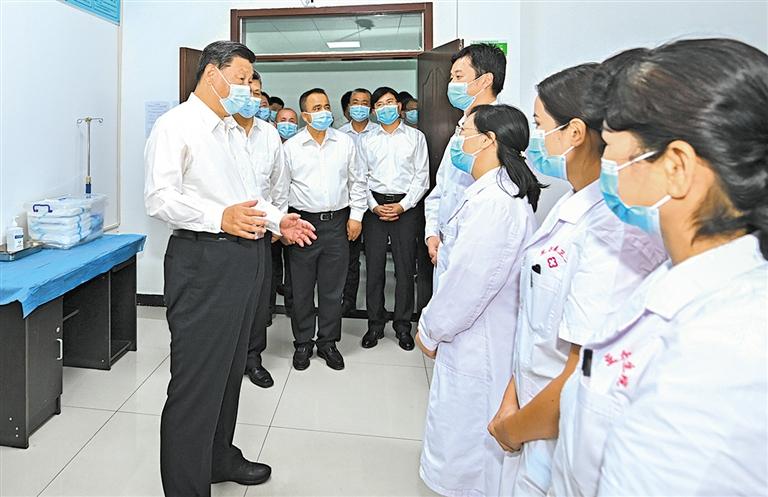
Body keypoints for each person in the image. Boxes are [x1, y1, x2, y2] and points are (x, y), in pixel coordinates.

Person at [548, 38, 768, 496]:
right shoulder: (683, 277)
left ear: (677, 166)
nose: (604, 162)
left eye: (611, 146)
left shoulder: (723, 351)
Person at [144, 40, 316, 497]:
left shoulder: (231, 130)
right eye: (240, 78)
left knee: (229, 370)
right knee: (197, 382)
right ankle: (186, 486)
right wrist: (217, 217)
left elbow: (246, 195)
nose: (246, 89)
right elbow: (159, 198)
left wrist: (279, 221)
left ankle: (219, 457)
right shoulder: (176, 125)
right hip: (203, 261)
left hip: (247, 256)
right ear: (211, 74)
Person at [486, 63, 666, 495]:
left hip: (556, 428)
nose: (536, 139)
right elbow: (539, 330)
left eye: (540, 125)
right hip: (532, 407)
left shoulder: (613, 231)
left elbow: (582, 370)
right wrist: (513, 394)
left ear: (574, 132)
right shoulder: (574, 205)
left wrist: (513, 428)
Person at [415, 104, 543, 497]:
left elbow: (467, 284)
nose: (457, 138)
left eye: (463, 130)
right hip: (479, 334)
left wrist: (430, 330)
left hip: (479, 342)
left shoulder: (495, 203)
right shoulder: (492, 192)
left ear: (488, 140)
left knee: (471, 447)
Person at [283, 88, 367, 371]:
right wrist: (284, 225)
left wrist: (356, 217)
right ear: (305, 115)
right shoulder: (291, 147)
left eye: (326, 107)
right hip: (303, 224)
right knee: (302, 289)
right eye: (317, 108)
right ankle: (303, 342)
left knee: (333, 289)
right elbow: (280, 189)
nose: (324, 112)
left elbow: (357, 182)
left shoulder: (344, 143)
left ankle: (328, 342)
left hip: (337, 223)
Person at [423, 44, 506, 289]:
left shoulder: (502, 132)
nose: (452, 84)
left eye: (459, 77)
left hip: (474, 251)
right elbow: (441, 190)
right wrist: (432, 233)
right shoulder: (462, 128)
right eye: (452, 78)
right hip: (446, 244)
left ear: (485, 80)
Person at [358, 86, 429, 350]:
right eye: (379, 105)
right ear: (374, 111)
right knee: (374, 268)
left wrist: (402, 206)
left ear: (399, 106)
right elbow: (360, 177)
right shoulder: (367, 140)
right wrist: (373, 206)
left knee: (404, 269)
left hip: (406, 208)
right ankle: (375, 324)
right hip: (374, 208)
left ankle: (402, 326)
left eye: (390, 103)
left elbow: (422, 176)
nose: (385, 108)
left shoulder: (416, 137)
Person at [231, 70, 289, 389]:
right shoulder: (220, 130)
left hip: (260, 230)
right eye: (246, 90)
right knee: (227, 300)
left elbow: (279, 183)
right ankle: (226, 359)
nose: (251, 98)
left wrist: (279, 220)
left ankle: (253, 358)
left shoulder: (269, 134)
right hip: (223, 231)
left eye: (257, 93)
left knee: (258, 299)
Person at [338, 88, 380, 315]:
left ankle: (375, 306)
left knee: (373, 256)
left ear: (371, 108)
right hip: (348, 203)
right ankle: (348, 299)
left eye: (365, 102)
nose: (360, 106)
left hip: (374, 203)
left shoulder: (377, 132)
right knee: (349, 255)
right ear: (348, 107)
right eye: (356, 102)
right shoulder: (339, 134)